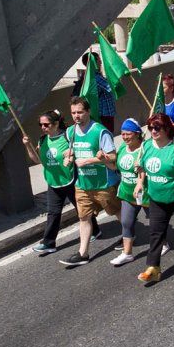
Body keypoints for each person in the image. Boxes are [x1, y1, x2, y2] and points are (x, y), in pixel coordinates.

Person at [23, 110, 100, 255]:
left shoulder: (67, 136)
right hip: (54, 182)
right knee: (53, 213)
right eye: (40, 124)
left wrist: (71, 155)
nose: (43, 127)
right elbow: (37, 160)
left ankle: (95, 230)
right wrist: (28, 146)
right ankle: (48, 243)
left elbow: (81, 151)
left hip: (71, 180)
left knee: (81, 210)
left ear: (56, 123)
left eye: (46, 124)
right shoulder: (42, 140)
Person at [58, 97, 121, 266]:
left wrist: (89, 161)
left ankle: (129, 235)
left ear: (88, 112)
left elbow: (113, 158)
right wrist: (69, 157)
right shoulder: (70, 132)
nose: (76, 116)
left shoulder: (100, 132)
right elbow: (71, 151)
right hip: (83, 185)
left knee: (117, 212)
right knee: (83, 218)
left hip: (104, 184)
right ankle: (83, 253)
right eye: (73, 113)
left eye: (80, 112)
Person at [134, 114, 174, 283]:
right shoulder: (146, 146)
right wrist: (139, 182)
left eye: (157, 127)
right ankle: (153, 268)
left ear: (167, 128)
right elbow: (142, 168)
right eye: (150, 128)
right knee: (156, 233)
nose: (153, 131)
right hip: (157, 198)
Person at [109, 118, 151, 266]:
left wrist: (141, 167)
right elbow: (115, 167)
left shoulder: (146, 149)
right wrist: (103, 160)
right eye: (123, 134)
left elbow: (148, 170)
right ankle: (127, 253)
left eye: (128, 134)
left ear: (137, 134)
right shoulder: (121, 148)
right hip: (127, 192)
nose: (125, 137)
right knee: (126, 222)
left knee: (154, 222)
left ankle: (163, 242)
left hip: (145, 192)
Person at [72, 52, 117, 133]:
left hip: (100, 113)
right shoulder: (96, 77)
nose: (101, 62)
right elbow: (112, 89)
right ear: (93, 62)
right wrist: (117, 73)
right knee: (106, 135)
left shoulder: (89, 76)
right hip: (104, 113)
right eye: (98, 60)